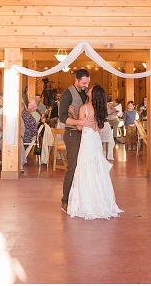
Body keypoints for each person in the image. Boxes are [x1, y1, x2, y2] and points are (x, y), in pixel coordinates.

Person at [66, 84, 122, 220]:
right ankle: (102, 201)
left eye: (90, 90)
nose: (88, 90)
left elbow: (79, 126)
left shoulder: (84, 108)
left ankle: (87, 203)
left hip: (87, 141)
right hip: (96, 140)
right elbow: (99, 128)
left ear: (93, 94)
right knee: (97, 168)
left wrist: (73, 113)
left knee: (84, 167)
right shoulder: (100, 108)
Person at [59, 69, 92, 212]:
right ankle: (65, 200)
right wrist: (80, 122)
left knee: (83, 167)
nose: (86, 85)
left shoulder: (86, 94)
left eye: (88, 83)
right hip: (72, 135)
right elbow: (62, 118)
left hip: (84, 134)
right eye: (84, 83)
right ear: (76, 80)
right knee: (72, 167)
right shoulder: (67, 94)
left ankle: (78, 197)